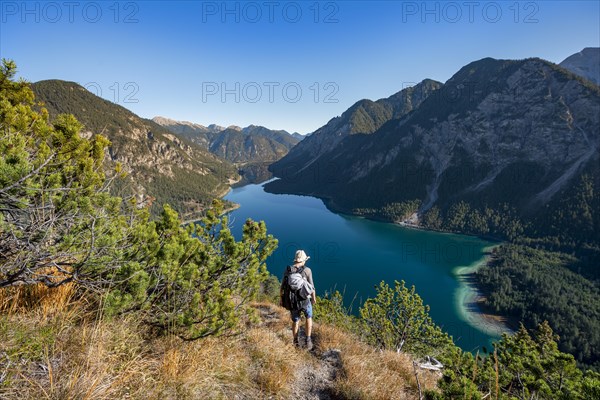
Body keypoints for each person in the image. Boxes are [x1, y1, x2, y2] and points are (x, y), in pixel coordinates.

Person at [280, 249, 316, 349]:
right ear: (304, 260)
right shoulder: (307, 270)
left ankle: (295, 342)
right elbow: (312, 287)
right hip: (304, 300)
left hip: (292, 301)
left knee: (295, 321)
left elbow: (282, 286)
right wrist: (313, 298)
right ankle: (308, 340)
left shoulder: (288, 270)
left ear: (295, 260)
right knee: (308, 317)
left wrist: (281, 299)